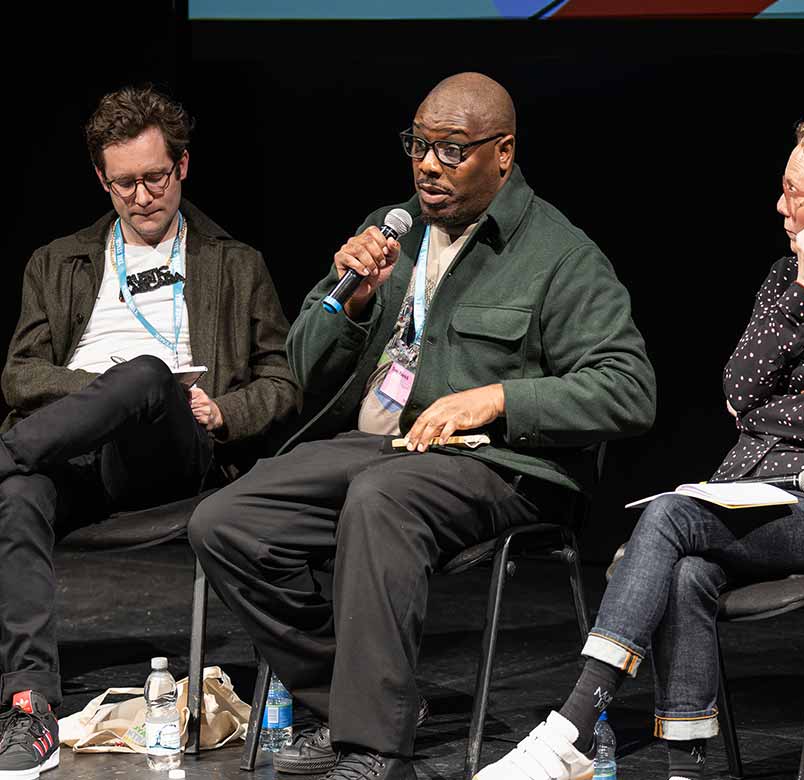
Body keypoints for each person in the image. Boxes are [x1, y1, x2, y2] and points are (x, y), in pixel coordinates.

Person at [188, 72, 656, 780]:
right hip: (388, 447)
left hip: (503, 467)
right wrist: (346, 304)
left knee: (382, 499)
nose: (429, 166)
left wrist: (498, 398)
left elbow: (629, 389)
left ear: (503, 152)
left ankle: (371, 746)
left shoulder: (559, 255)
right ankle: (368, 699)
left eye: (453, 150)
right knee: (226, 520)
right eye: (419, 146)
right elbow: (302, 369)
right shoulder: (392, 231)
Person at [476, 115, 804, 780]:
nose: (781, 206)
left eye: (798, 193)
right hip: (760, 495)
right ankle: (686, 771)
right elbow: (736, 386)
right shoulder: (788, 279)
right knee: (685, 573)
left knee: (673, 512)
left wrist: (765, 412)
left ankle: (569, 729)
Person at [0, 85, 300, 778]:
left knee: (145, 374)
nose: (141, 196)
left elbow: (281, 383)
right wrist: (101, 393)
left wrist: (222, 411)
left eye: (155, 177)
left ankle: (16, 451)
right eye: (124, 183)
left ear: (184, 167)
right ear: (101, 181)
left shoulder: (235, 262)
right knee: (17, 495)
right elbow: (20, 376)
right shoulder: (59, 261)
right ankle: (29, 707)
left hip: (167, 449)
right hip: (66, 455)